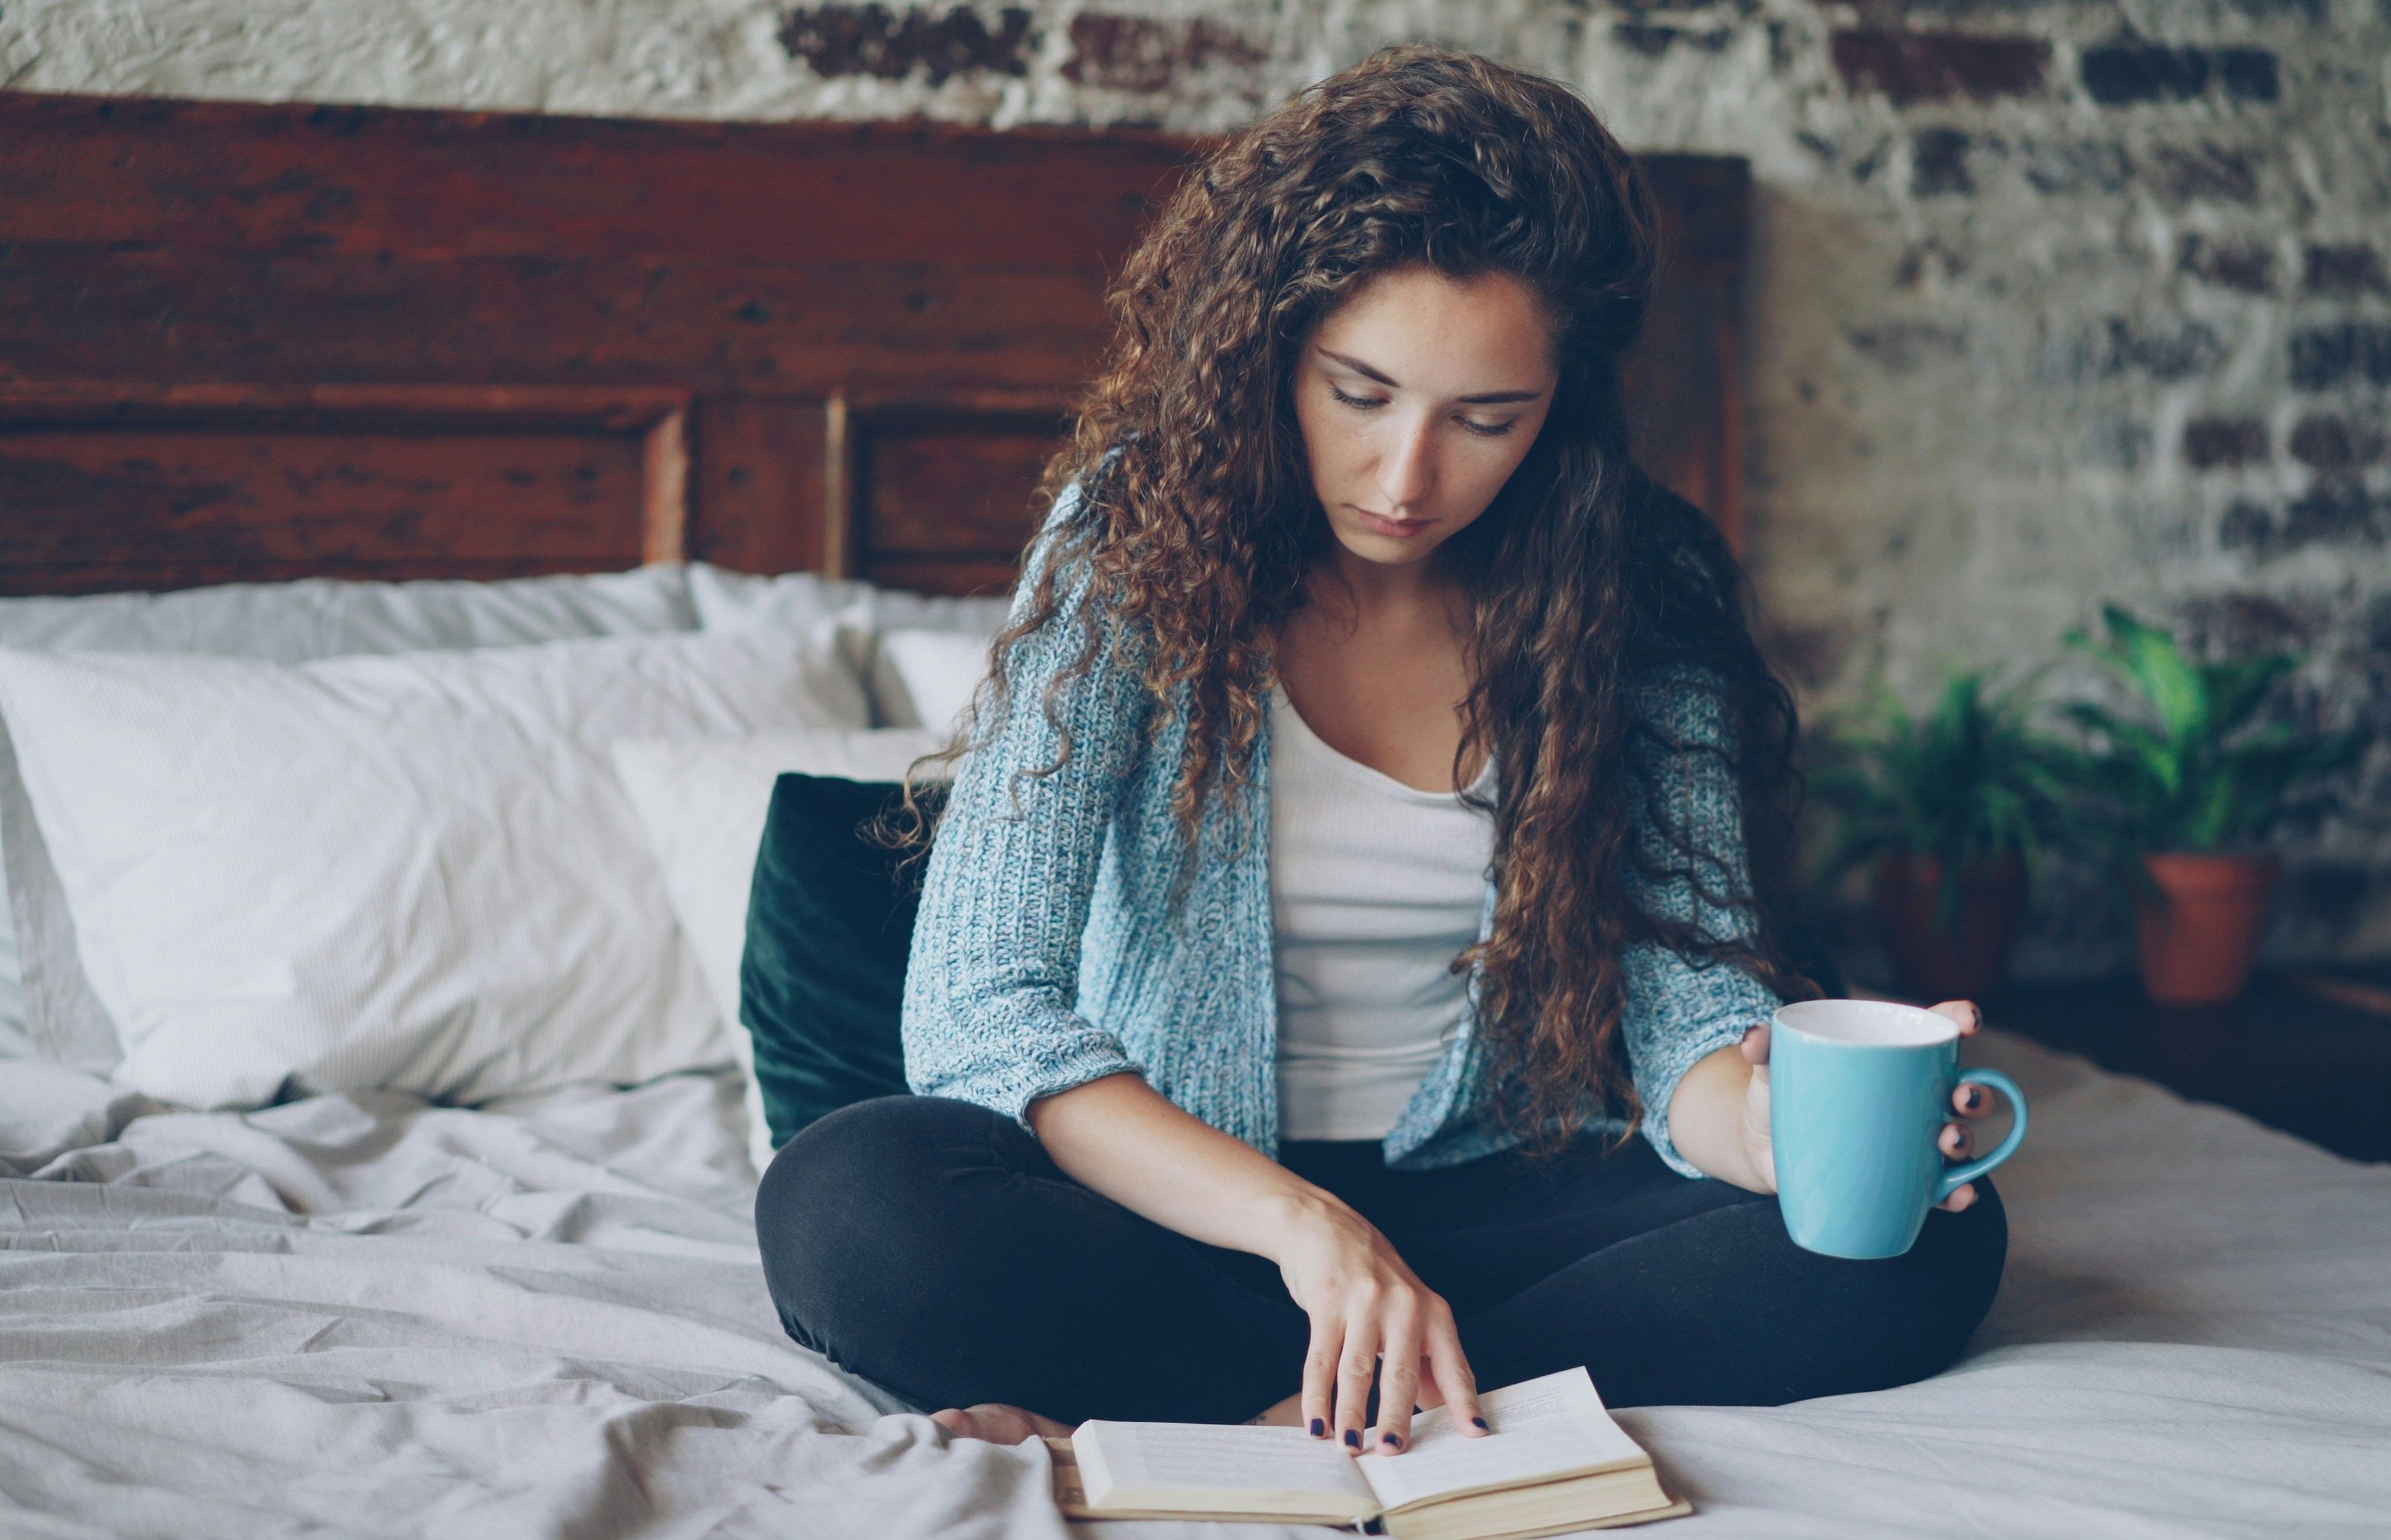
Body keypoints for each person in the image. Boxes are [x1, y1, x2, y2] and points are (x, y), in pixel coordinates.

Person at [755, 44, 2007, 1460]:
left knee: (1924, 1245)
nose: (1409, 478)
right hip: (1186, 1204)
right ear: (1270, 347)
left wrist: (1781, 1140)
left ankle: (1297, 1403)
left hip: (1503, 1202)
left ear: (1564, 406)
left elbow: (1689, 1019)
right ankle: (1415, 1379)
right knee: (849, 1202)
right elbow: (983, 1007)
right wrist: (1313, 1230)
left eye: (1486, 420)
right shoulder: (1132, 542)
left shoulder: (1638, 589)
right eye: (1361, 394)